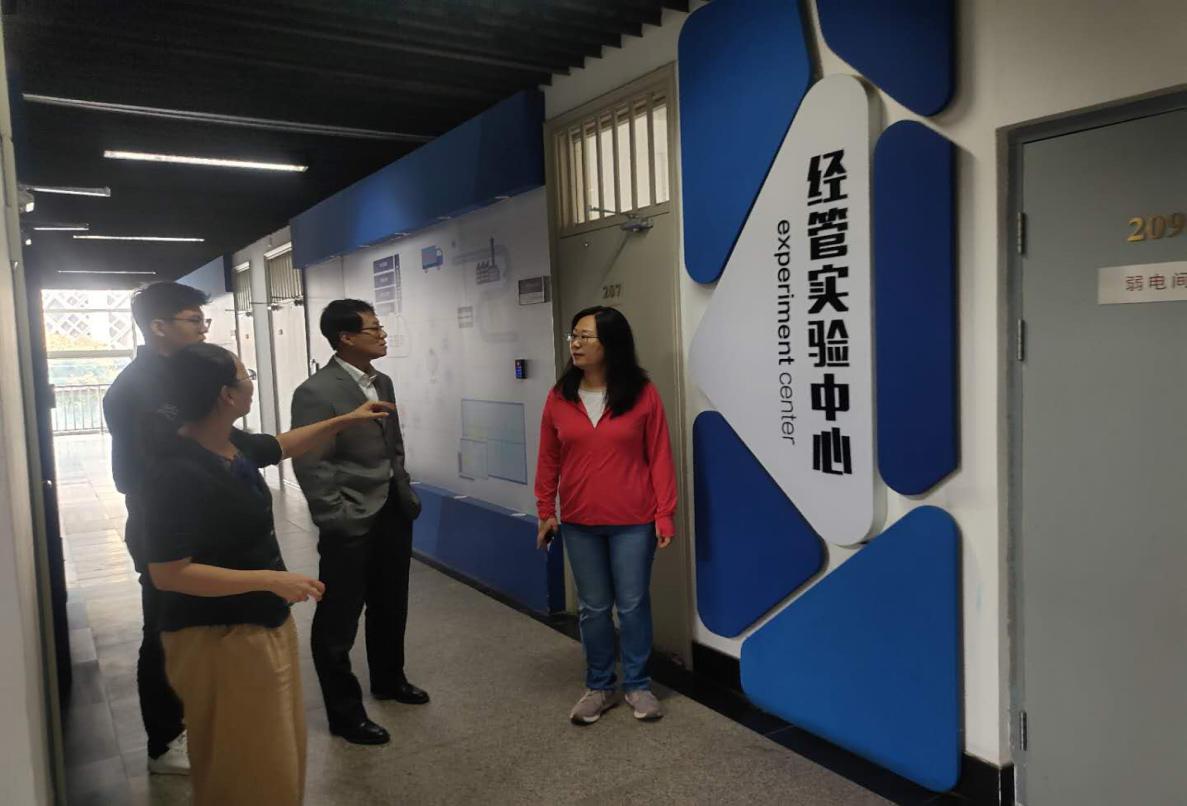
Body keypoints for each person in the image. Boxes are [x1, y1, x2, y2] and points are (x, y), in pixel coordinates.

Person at [144, 342, 393, 805]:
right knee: (245, 763)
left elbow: (282, 445)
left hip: (259, 623)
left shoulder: (228, 443)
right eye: (246, 376)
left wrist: (347, 419)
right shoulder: (173, 471)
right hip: (216, 636)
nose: (251, 384)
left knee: (276, 752)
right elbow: (170, 573)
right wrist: (270, 579)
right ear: (226, 395)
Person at [103, 281, 272, 774]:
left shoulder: (182, 375)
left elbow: (227, 441)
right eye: (194, 321)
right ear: (158, 326)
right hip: (164, 524)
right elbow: (133, 473)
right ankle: (164, 740)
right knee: (163, 626)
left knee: (196, 626)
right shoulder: (135, 388)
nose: (202, 329)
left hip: (206, 523)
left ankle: (199, 719)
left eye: (203, 321)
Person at [291, 299, 427, 747]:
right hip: (349, 517)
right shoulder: (316, 392)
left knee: (391, 603)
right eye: (374, 329)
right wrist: (336, 516)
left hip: (392, 510)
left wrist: (403, 489)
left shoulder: (381, 381)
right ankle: (345, 714)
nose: (383, 335)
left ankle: (389, 679)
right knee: (339, 617)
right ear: (346, 337)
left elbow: (393, 445)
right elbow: (311, 463)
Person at [535, 306, 677, 725]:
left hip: (634, 520)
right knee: (594, 608)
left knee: (632, 605)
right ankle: (599, 686)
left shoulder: (642, 393)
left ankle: (638, 684)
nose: (576, 344)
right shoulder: (560, 396)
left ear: (611, 343)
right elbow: (548, 458)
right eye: (573, 336)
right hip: (580, 521)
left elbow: (660, 456)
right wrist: (545, 511)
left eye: (585, 337)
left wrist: (664, 513)